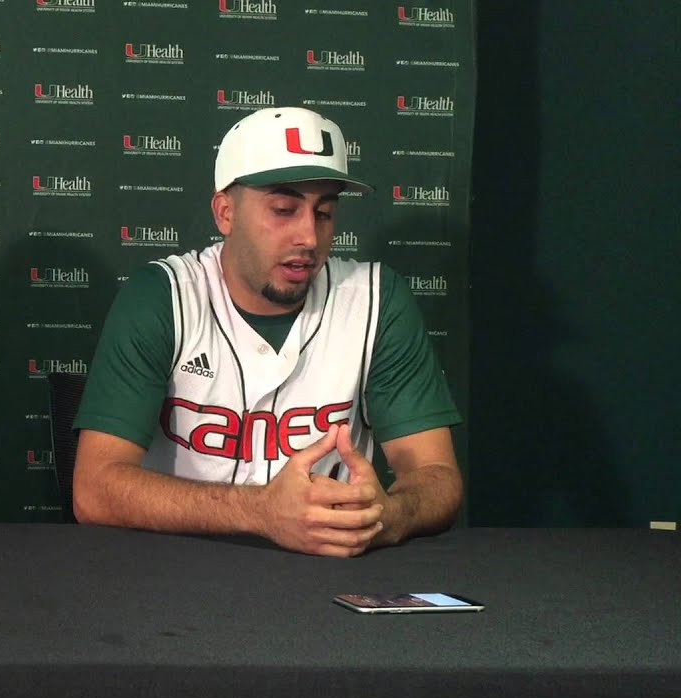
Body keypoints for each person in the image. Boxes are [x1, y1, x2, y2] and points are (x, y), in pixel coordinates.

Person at [72, 107, 462, 557]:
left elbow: (437, 475)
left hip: (326, 577)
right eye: (283, 208)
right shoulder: (165, 296)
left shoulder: (375, 299)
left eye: (325, 213)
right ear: (225, 212)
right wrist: (261, 512)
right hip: (177, 570)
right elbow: (94, 488)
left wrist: (391, 515)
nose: (309, 237)